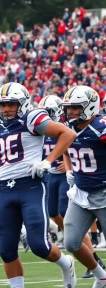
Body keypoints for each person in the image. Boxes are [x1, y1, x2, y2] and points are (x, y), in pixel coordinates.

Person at [0, 82, 77, 288]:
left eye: (11, 104)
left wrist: (48, 160)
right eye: (3, 105)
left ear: (23, 103)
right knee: (6, 250)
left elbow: (68, 134)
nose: (6, 109)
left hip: (31, 187)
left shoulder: (32, 119)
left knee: (39, 245)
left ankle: (66, 263)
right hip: (5, 192)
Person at [62, 85, 106, 288]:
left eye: (75, 108)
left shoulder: (101, 127)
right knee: (71, 242)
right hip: (81, 193)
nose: (70, 112)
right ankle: (101, 275)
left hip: (104, 192)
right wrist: (70, 170)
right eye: (68, 108)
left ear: (89, 107)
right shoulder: (67, 128)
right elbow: (65, 149)